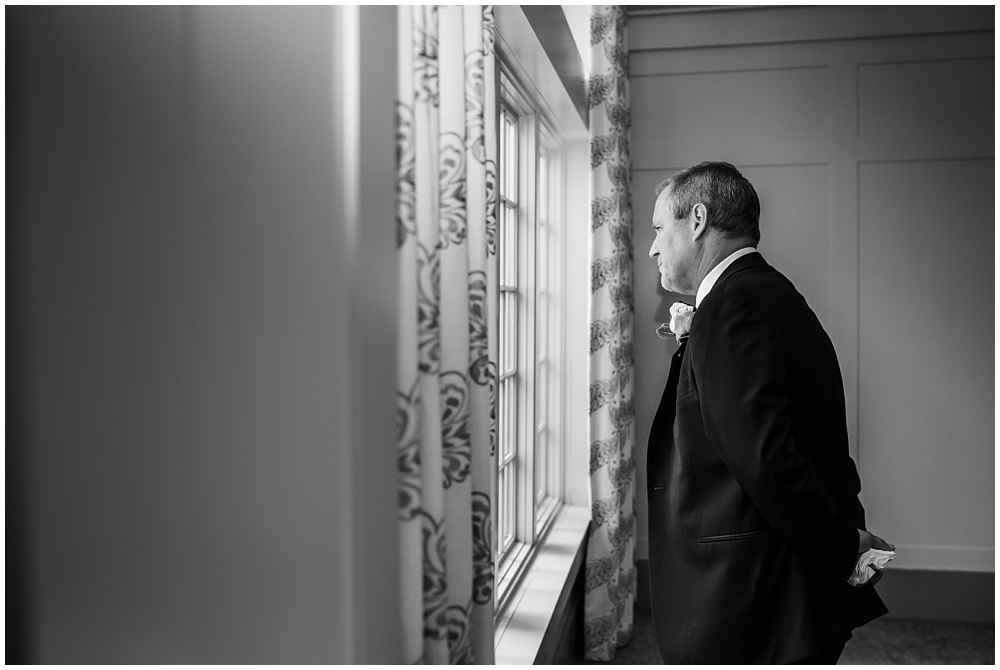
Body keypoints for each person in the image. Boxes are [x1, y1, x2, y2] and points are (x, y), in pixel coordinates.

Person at [645, 161, 893, 664]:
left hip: (746, 594)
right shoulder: (770, 294)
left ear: (696, 221)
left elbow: (765, 459)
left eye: (657, 229)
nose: (651, 247)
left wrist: (844, 545)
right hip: (767, 580)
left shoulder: (734, 307)